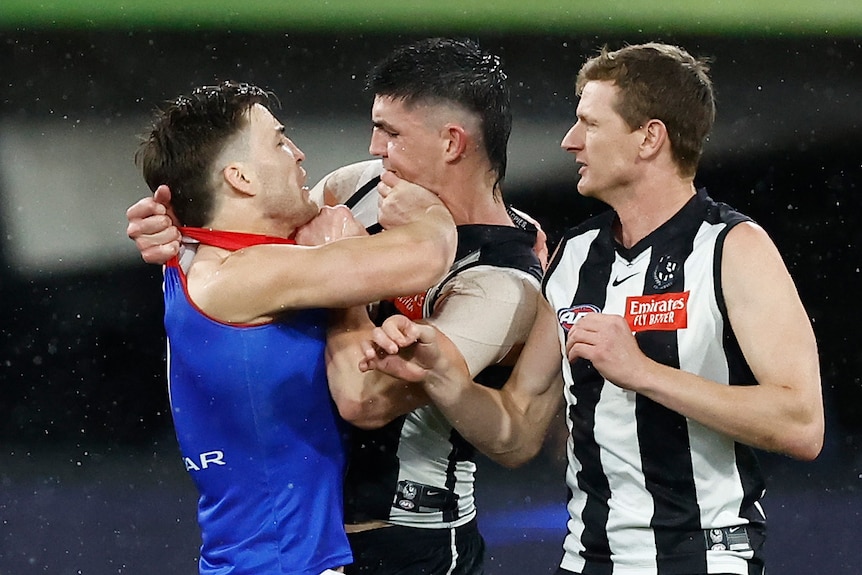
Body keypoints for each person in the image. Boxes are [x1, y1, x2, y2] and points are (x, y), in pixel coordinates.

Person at [359, 43, 824, 575]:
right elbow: (517, 430)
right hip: (587, 562)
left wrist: (643, 373)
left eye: (589, 124)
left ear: (649, 138)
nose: (569, 141)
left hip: (705, 559)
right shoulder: (575, 256)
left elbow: (802, 424)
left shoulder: (734, 247)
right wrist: (444, 376)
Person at [127, 39, 547, 575]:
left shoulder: (499, 279)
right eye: (281, 142)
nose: (374, 148)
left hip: (404, 543)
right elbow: (275, 230)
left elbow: (365, 397)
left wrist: (177, 226)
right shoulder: (356, 191)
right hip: (296, 554)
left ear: (451, 142)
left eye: (391, 133)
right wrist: (171, 221)